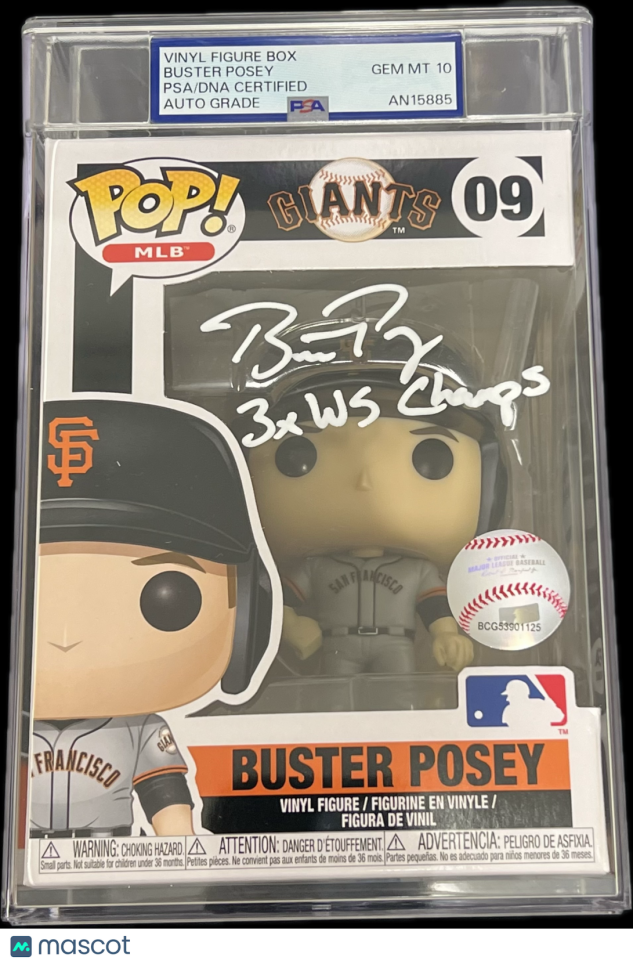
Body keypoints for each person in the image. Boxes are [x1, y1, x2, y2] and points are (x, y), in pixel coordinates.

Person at [31, 398, 273, 839]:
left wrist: (178, 846)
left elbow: (164, 792)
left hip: (111, 852)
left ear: (245, 612)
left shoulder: (141, 728)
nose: (66, 637)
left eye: (166, 598)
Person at [244, 327, 506, 678]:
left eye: (431, 458)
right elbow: (278, 602)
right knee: (335, 699)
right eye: (297, 457)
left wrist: (447, 635)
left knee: (402, 696)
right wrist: (290, 626)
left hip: (396, 645)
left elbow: (434, 607)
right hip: (338, 645)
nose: (364, 480)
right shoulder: (314, 568)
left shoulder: (418, 571)